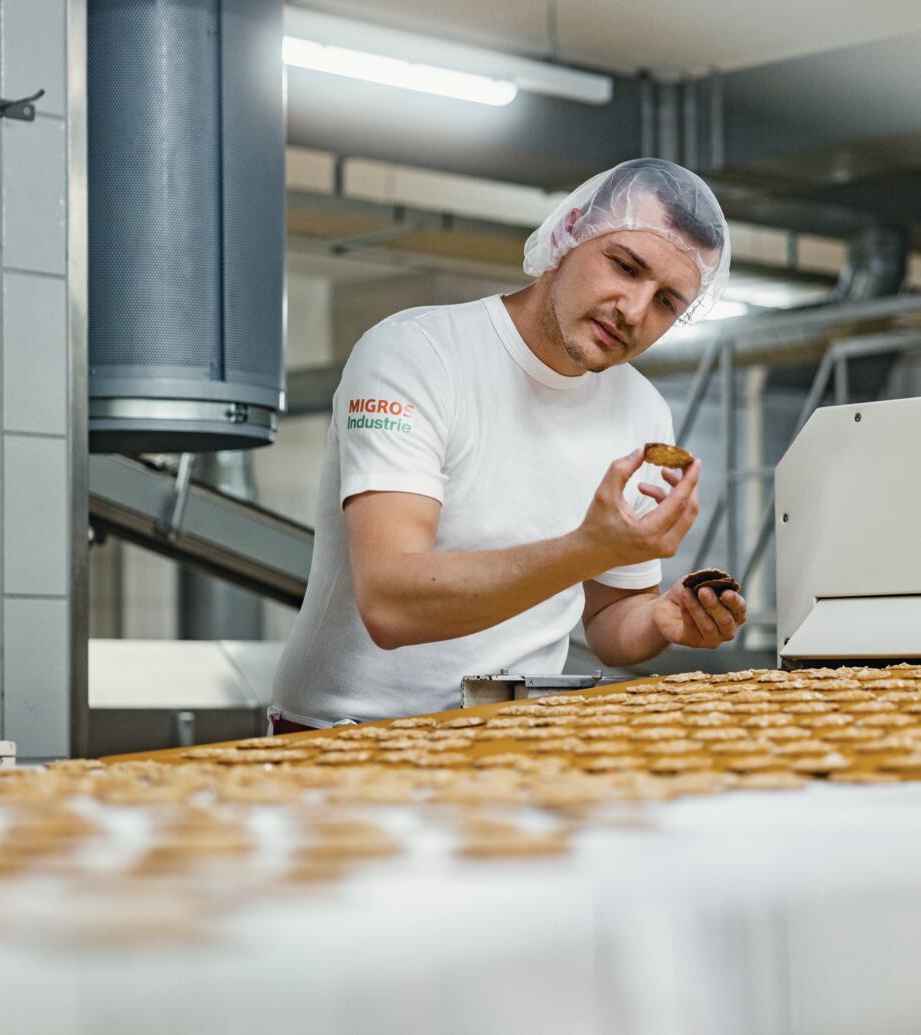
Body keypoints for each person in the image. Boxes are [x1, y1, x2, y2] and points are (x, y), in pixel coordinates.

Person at [270, 158, 747, 729]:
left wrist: (660, 621)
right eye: (624, 266)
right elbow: (390, 603)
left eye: (668, 301)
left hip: (513, 739)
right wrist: (590, 548)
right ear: (569, 232)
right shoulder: (417, 354)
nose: (634, 311)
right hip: (341, 739)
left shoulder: (641, 410)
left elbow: (611, 616)